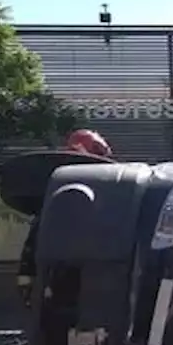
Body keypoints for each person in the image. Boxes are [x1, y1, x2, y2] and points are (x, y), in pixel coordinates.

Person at [16, 129, 114, 306]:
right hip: (61, 280)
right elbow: (36, 237)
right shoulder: (56, 196)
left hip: (101, 279)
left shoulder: (115, 194)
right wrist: (27, 278)